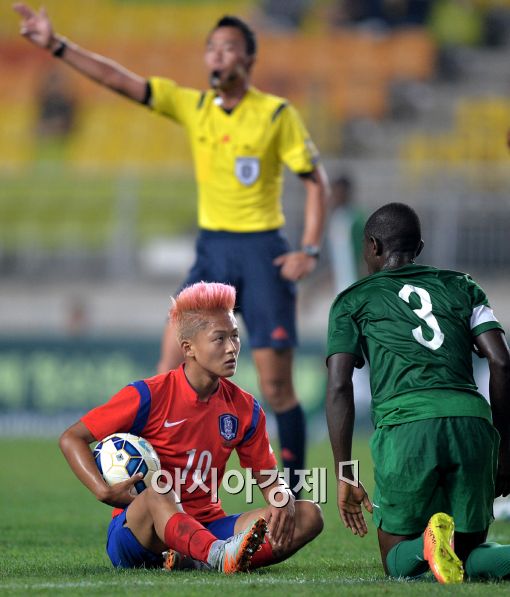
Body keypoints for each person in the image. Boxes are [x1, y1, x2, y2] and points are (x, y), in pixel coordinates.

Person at [14, 3, 329, 496]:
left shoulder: (276, 114)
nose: (217, 55)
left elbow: (317, 182)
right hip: (213, 252)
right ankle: (156, 493)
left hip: (263, 251)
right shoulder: (194, 105)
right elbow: (122, 81)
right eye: (212, 47)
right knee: (167, 374)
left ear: (249, 58)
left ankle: (287, 496)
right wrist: (58, 45)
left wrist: (309, 248)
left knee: (276, 387)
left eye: (228, 47)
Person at [59, 281, 323, 572]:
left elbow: (270, 481)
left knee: (309, 515)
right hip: (140, 534)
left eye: (235, 336)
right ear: (189, 348)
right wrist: (102, 491)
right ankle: (216, 556)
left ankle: (195, 557)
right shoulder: (148, 395)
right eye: (219, 339)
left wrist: (282, 498)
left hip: (207, 524)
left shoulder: (245, 409)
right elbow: (72, 438)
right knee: (160, 491)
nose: (232, 348)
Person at [326, 202, 510, 583]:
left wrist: (346, 472)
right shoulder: (464, 286)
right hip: (472, 425)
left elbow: (340, 385)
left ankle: (425, 542)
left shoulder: (354, 300)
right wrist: (505, 446)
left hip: (406, 426)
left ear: (372, 246)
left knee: (396, 558)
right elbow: (502, 363)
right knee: (465, 552)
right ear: (420, 248)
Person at [327, 174, 365, 294]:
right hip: (341, 285)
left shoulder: (356, 219)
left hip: (357, 284)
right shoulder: (335, 219)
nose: (334, 196)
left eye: (338, 192)